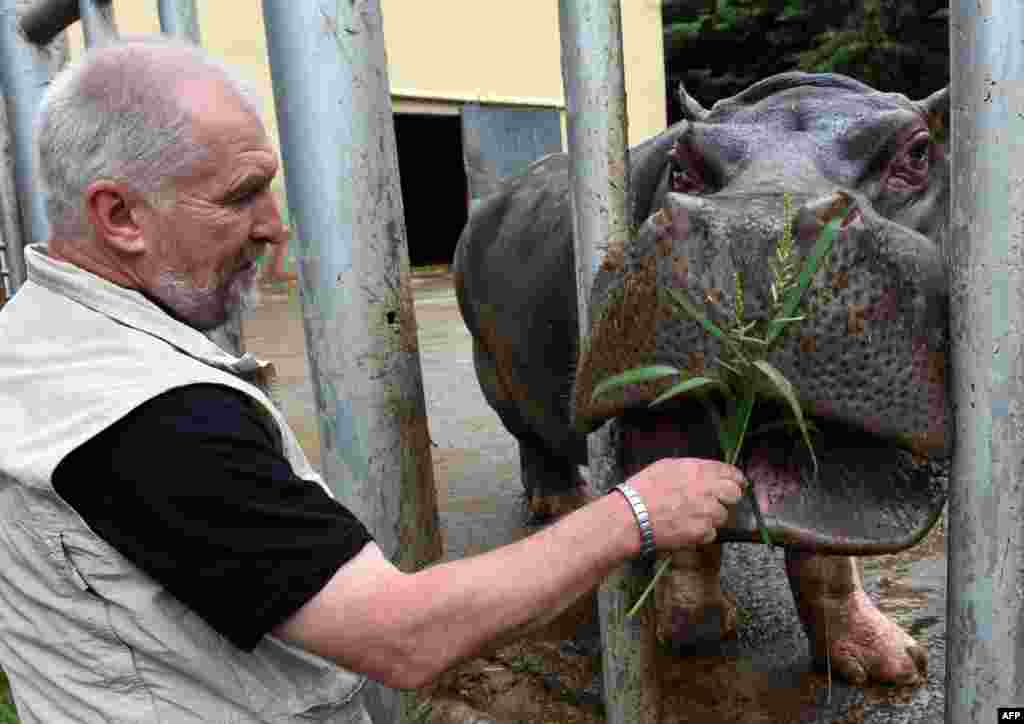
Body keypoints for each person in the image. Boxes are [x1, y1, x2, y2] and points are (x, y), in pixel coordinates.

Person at [0, 37, 745, 723]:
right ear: (120, 214)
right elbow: (406, 637)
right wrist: (636, 513)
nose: (274, 227)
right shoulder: (155, 420)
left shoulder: (29, 337)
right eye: (238, 196)